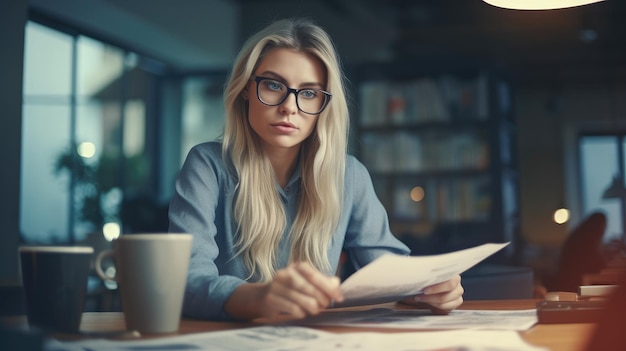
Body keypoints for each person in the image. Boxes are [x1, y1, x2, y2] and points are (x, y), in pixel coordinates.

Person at [168, 18, 464, 321]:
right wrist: (257, 298)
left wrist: (428, 288)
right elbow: (184, 281)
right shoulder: (207, 165)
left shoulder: (349, 175)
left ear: (324, 104)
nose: (289, 107)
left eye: (309, 93)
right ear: (245, 87)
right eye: (273, 85)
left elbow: (389, 270)